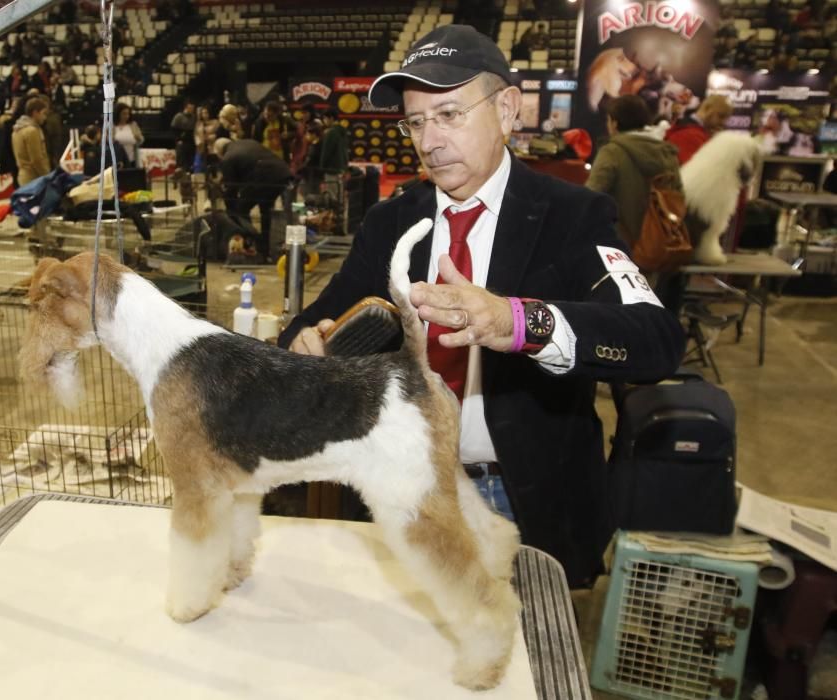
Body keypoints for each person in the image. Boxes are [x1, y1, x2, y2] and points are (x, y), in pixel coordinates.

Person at [277, 25, 685, 588]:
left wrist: (519, 322)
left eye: (449, 114)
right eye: (417, 122)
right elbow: (310, 322)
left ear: (507, 109)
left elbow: (655, 338)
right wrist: (307, 342)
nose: (430, 140)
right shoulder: (391, 222)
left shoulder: (573, 217)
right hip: (405, 488)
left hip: (521, 499)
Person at [585, 94, 683, 250]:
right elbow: (678, 195)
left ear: (614, 123)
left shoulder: (612, 152)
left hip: (619, 247)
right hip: (661, 245)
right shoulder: (666, 152)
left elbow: (591, 196)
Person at [214, 137, 292, 264]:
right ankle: (265, 251)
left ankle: (251, 242)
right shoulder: (247, 142)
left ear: (219, 152)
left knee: (241, 210)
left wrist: (231, 213)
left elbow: (231, 189)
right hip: (281, 174)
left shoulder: (228, 158)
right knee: (265, 211)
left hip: (263, 177)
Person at [664, 94, 733, 164]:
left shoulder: (695, 131)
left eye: (726, 118)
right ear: (707, 108)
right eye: (721, 116)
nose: (723, 122)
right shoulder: (688, 135)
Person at [11, 97, 50, 186]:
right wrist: (47, 176)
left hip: (22, 176)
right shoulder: (32, 131)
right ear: (35, 113)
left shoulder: (17, 129)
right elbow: (36, 159)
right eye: (43, 113)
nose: (45, 117)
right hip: (34, 178)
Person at [112, 102, 144, 167]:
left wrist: (138, 138)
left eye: (128, 114)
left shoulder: (133, 125)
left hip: (132, 159)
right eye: (124, 114)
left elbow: (141, 140)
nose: (126, 116)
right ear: (118, 114)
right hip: (118, 161)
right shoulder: (112, 126)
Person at [171, 100, 196, 173]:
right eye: (190, 108)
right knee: (181, 161)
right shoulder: (179, 116)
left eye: (193, 108)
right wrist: (178, 140)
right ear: (186, 108)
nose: (192, 110)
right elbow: (173, 129)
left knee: (190, 161)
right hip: (182, 142)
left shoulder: (193, 117)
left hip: (191, 141)